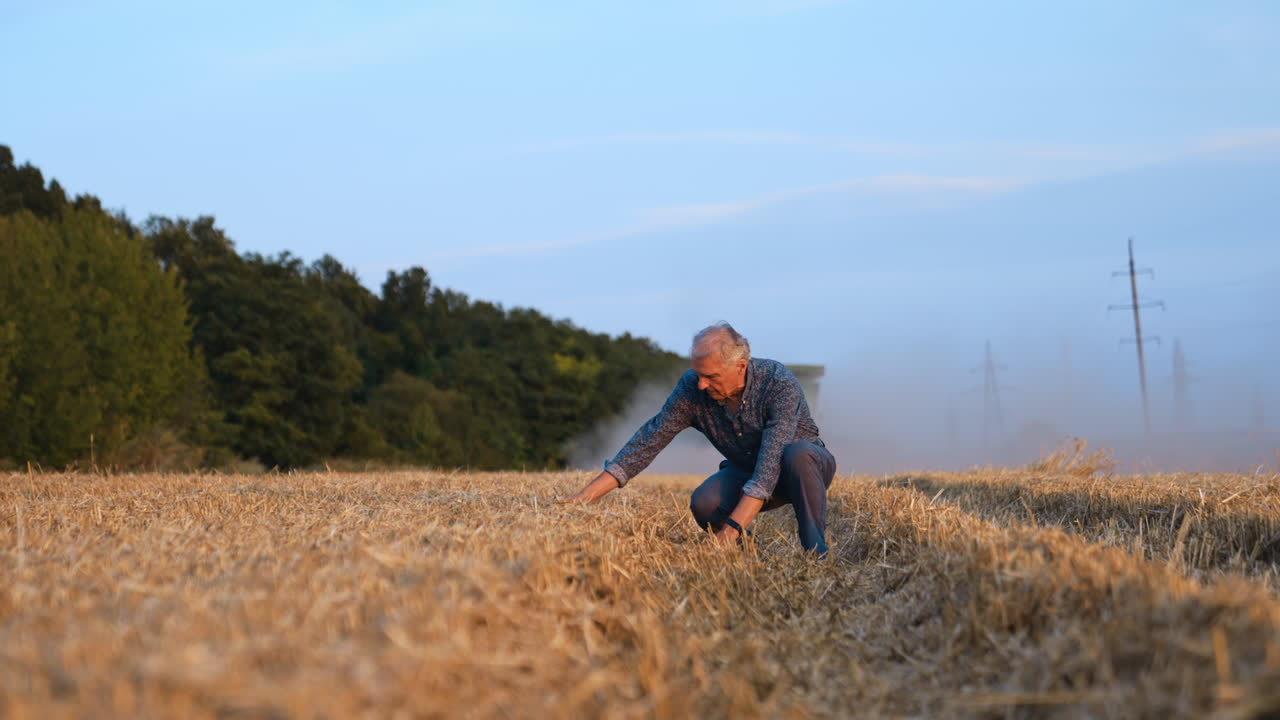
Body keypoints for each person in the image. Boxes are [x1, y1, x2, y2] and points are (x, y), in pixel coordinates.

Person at [563, 322, 837, 555]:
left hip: (802, 468)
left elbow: (771, 462)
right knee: (705, 503)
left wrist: (731, 528)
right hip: (747, 469)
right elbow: (650, 439)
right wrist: (583, 499)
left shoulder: (777, 381)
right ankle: (749, 557)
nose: (702, 384)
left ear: (740, 366)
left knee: (796, 454)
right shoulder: (692, 388)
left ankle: (817, 555)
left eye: (711, 376)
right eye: (698, 374)